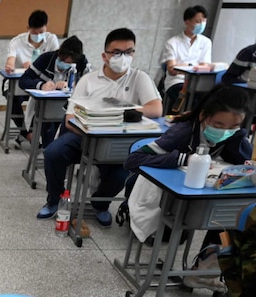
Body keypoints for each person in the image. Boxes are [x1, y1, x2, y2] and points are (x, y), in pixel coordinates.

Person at [123, 84, 251, 290]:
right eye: (219, 125)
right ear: (203, 116)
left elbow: (246, 165)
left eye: (233, 126)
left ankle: (204, 268)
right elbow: (133, 159)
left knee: (235, 212)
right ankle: (200, 269)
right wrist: (183, 158)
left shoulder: (234, 136)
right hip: (162, 192)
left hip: (202, 193)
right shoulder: (182, 132)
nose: (225, 131)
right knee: (187, 224)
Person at [37, 28, 162, 227]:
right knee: (53, 152)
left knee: (124, 170)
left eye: (128, 52)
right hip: (85, 136)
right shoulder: (88, 80)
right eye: (117, 52)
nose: (123, 57)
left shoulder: (139, 78)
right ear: (105, 56)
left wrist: (120, 113)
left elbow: (156, 109)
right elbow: (70, 118)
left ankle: (100, 203)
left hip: (120, 142)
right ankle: (54, 200)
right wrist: (92, 129)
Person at [19, 35, 90, 148]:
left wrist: (73, 85)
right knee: (49, 127)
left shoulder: (82, 63)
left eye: (68, 63)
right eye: (62, 60)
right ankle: (48, 150)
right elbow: (23, 80)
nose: (63, 64)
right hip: (46, 106)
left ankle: (60, 153)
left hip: (71, 107)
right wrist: (41, 85)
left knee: (70, 129)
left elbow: (90, 86)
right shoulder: (46, 59)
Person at [4, 10, 60, 143]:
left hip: (43, 82)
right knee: (13, 101)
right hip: (20, 82)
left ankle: (39, 133)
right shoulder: (17, 42)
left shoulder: (52, 40)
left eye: (41, 32)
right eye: (35, 33)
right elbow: (10, 59)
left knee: (46, 103)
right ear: (28, 28)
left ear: (46, 27)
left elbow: (54, 62)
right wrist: (10, 66)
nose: (38, 35)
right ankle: (26, 133)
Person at [162, 5, 212, 114]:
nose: (202, 24)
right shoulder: (172, 42)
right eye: (198, 21)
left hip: (199, 83)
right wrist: (192, 67)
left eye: (204, 21)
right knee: (190, 100)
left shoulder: (206, 42)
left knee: (211, 100)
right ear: (187, 22)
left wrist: (185, 66)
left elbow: (205, 66)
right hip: (177, 81)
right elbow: (172, 70)